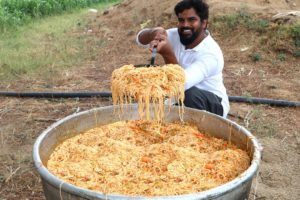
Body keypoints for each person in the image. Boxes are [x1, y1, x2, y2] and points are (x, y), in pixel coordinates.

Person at [136, 0, 229, 118]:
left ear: (204, 23)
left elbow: (180, 85)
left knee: (188, 94)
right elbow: (140, 39)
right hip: (179, 98)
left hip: (212, 105)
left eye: (192, 20)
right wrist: (153, 32)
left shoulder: (211, 54)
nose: (185, 25)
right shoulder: (176, 34)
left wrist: (167, 54)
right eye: (181, 20)